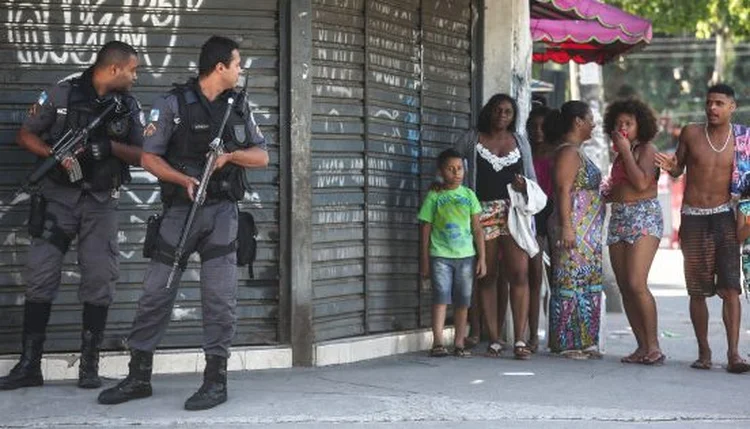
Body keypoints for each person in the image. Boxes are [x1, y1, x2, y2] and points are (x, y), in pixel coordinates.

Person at [97, 36, 269, 410]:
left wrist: (230, 157)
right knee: (155, 294)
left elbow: (262, 156)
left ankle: (215, 380)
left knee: (219, 298)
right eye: (237, 64)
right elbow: (148, 159)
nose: (241, 71)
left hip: (223, 213)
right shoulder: (172, 105)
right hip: (179, 212)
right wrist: (183, 180)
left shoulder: (239, 106)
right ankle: (139, 376)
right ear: (220, 67)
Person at [0, 41, 143, 391]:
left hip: (100, 202)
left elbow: (143, 155)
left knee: (99, 279)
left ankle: (89, 367)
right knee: (40, 275)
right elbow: (25, 134)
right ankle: (29, 365)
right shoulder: (62, 95)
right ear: (114, 69)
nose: (136, 77)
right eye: (132, 70)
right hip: (56, 198)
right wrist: (55, 154)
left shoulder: (128, 106)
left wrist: (108, 148)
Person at [655, 84, 750, 373]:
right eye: (709, 103)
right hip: (694, 216)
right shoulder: (691, 133)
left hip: (725, 215)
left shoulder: (743, 138)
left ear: (732, 107)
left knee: (731, 288)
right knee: (697, 290)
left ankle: (734, 354)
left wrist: (745, 217)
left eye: (719, 103)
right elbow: (678, 168)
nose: (713, 108)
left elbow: (747, 184)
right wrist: (670, 167)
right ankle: (704, 352)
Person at [453, 93, 538, 359]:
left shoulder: (520, 142)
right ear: (489, 111)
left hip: (513, 212)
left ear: (514, 117)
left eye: (508, 112)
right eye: (498, 110)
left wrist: (526, 187)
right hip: (482, 212)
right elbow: (450, 164)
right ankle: (494, 338)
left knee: (519, 274)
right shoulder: (471, 139)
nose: (502, 115)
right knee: (487, 275)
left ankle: (521, 339)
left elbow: (532, 179)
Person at [602, 98, 664, 365]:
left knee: (637, 283)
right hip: (619, 217)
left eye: (628, 123)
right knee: (625, 286)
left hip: (644, 217)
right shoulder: (618, 157)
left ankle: (654, 346)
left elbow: (640, 183)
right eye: (618, 124)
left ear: (641, 125)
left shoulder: (646, 149)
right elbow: (617, 189)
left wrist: (625, 150)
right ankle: (641, 346)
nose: (623, 127)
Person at [547, 101, 604, 359]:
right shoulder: (568, 152)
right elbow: (562, 190)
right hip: (574, 229)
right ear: (578, 122)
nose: (593, 124)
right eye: (590, 118)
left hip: (588, 233)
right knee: (570, 281)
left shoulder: (578, 152)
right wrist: (567, 227)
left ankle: (585, 340)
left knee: (586, 283)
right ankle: (566, 341)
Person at [419, 149, 486, 357]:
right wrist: (424, 259)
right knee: (440, 299)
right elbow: (426, 228)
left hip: (466, 256)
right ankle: (438, 342)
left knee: (462, 301)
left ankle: (459, 343)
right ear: (441, 171)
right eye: (451, 168)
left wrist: (482, 257)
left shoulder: (469, 195)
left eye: (460, 168)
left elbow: (477, 229)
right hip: (440, 255)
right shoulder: (434, 196)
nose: (456, 172)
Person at [525, 105, 554, 353]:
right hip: (530, 216)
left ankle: (555, 332)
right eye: (533, 126)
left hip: (553, 214)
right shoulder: (524, 151)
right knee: (534, 278)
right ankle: (532, 335)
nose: (537, 131)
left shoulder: (558, 153)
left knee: (555, 278)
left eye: (542, 126)